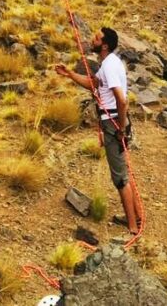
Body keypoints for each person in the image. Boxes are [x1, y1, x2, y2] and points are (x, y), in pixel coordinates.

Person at [55, 27, 142, 235]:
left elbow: (121, 100)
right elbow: (93, 84)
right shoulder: (107, 64)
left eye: (96, 38)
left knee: (120, 178)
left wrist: (120, 129)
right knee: (123, 174)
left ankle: (132, 227)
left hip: (113, 123)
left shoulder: (110, 66)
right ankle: (136, 218)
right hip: (113, 122)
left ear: (104, 45)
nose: (91, 40)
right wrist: (70, 74)